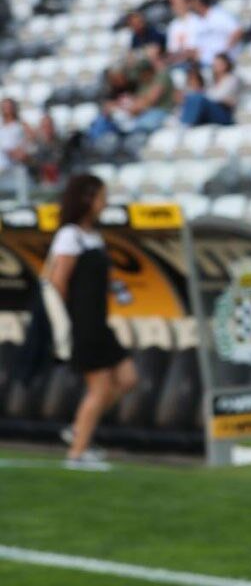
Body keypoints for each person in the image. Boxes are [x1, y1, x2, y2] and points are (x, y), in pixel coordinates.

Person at [49, 175, 138, 467]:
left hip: (100, 323)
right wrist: (72, 319)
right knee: (99, 389)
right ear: (87, 200)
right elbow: (59, 281)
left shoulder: (94, 236)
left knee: (127, 378)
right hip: (84, 324)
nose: (105, 203)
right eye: (101, 197)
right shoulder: (69, 236)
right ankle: (77, 453)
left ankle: (79, 429)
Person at [179, 53, 239, 126]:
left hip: (224, 114)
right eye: (214, 64)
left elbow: (219, 97)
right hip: (211, 109)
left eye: (219, 64)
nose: (215, 66)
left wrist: (204, 95)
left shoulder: (231, 79)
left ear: (226, 65)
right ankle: (185, 123)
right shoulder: (212, 80)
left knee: (198, 98)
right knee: (191, 97)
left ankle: (187, 124)